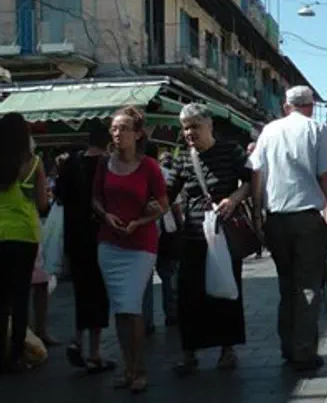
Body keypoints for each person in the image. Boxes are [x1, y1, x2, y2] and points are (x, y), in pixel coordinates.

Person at [250, 85, 327, 371]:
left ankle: (288, 346)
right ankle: (303, 350)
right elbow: (326, 178)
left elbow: (257, 174)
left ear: (285, 105)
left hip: (275, 218)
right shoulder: (316, 130)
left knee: (286, 284)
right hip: (306, 219)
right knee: (307, 285)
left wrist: (257, 215)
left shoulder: (268, 131)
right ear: (311, 105)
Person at [166, 103, 251, 375]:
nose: (190, 132)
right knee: (188, 294)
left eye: (195, 126)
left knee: (226, 290)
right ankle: (189, 352)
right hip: (192, 234)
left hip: (223, 234)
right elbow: (167, 192)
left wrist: (234, 198)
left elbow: (250, 180)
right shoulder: (182, 158)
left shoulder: (230, 151)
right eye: (186, 127)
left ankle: (228, 350)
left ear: (209, 125)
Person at [92, 107, 169, 392]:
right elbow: (96, 199)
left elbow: (163, 206)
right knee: (120, 309)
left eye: (124, 128)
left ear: (137, 134)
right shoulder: (104, 164)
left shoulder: (149, 166)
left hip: (140, 245)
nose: (117, 133)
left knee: (131, 305)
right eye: (114, 128)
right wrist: (105, 215)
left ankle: (139, 369)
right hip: (109, 243)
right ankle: (128, 366)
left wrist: (140, 221)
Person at [56, 123, 114, 373]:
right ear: (108, 141)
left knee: (82, 291)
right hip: (101, 236)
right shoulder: (109, 165)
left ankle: (77, 339)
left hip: (75, 238)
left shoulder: (71, 163)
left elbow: (58, 196)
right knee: (99, 294)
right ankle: (94, 352)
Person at [0, 113, 43, 374]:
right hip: (25, 236)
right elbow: (43, 203)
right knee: (19, 298)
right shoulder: (34, 163)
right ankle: (16, 355)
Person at [141, 147, 182, 334]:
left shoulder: (134, 174)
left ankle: (146, 320)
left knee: (145, 278)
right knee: (168, 274)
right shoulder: (165, 173)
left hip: (144, 231)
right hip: (166, 230)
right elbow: (176, 205)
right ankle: (171, 313)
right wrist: (180, 227)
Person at [25, 136, 57, 347]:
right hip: (27, 228)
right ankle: (41, 331)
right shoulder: (34, 163)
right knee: (39, 282)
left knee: (10, 289)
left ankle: (15, 338)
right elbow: (43, 202)